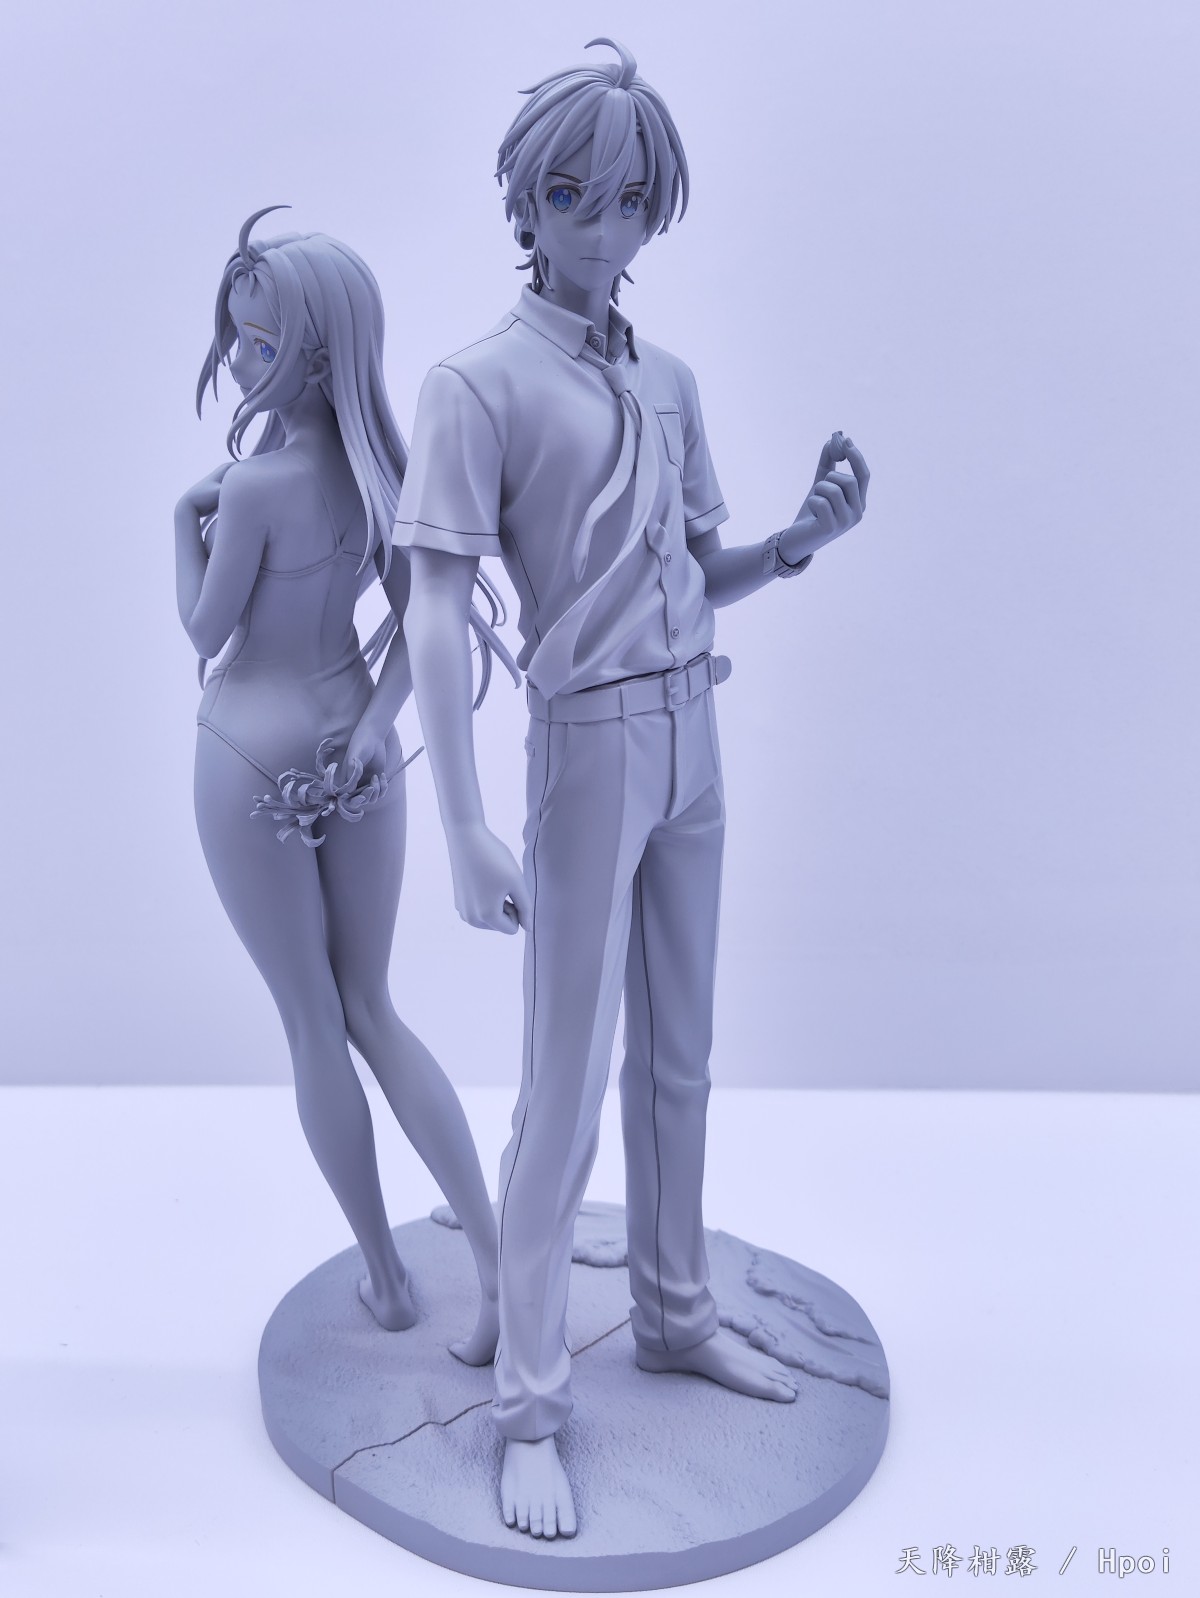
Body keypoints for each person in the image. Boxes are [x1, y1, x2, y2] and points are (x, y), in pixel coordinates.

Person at [397, 40, 871, 1538]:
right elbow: (432, 600)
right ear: (526, 201)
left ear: (656, 209)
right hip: (589, 745)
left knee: (681, 1057)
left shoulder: (669, 381)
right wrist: (461, 821)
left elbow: (693, 568)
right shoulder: (475, 384)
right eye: (570, 196)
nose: (599, 228)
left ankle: (674, 1308)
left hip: (692, 734)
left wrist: (795, 543)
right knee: (563, 1086)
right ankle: (531, 1402)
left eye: (625, 202)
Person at [174, 209, 507, 1364]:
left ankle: (389, 1279)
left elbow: (204, 628)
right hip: (352, 741)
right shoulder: (383, 476)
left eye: (260, 344)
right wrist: (373, 725)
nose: (239, 361)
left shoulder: (255, 487)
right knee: (373, 1004)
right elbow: (427, 623)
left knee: (314, 1018)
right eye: (237, 338)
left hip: (248, 749)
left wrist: (182, 522)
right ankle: (499, 1255)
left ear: (317, 354)